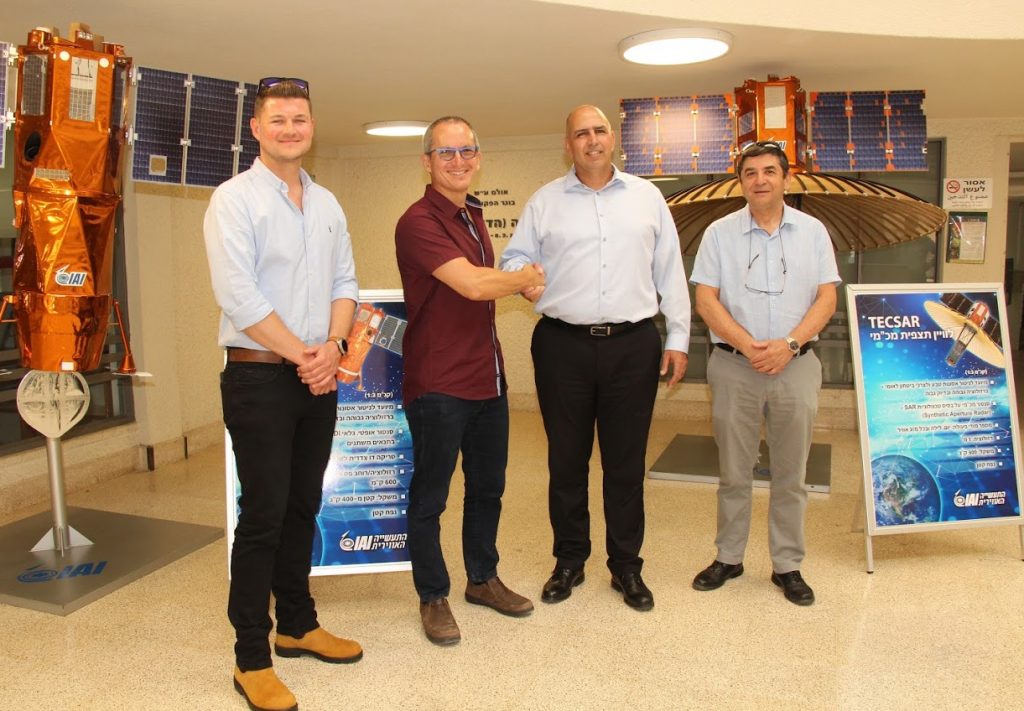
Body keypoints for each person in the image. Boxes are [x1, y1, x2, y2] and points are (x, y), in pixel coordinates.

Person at [204, 77, 362, 711]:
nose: (291, 129)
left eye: (300, 119)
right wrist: (307, 354)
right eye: (279, 120)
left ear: (312, 127)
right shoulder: (233, 200)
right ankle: (250, 657)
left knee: (303, 506)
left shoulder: (326, 204)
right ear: (257, 129)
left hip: (315, 376)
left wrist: (334, 347)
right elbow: (239, 297)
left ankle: (297, 622)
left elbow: (345, 281)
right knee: (264, 516)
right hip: (259, 377)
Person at [500, 105, 690, 612]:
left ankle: (626, 566)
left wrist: (678, 338)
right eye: (580, 133)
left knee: (625, 463)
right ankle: (569, 560)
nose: (591, 140)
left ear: (614, 139)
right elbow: (512, 259)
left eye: (599, 130)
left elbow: (670, 272)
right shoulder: (545, 201)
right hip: (562, 345)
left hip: (633, 344)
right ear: (568, 144)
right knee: (566, 460)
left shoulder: (648, 198)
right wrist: (525, 277)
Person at [395, 116, 545, 646]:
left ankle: (481, 579)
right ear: (427, 161)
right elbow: (474, 285)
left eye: (466, 152)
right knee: (430, 498)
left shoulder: (472, 214)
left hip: (488, 380)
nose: (457, 162)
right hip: (438, 385)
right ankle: (433, 595)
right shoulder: (417, 221)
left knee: (488, 489)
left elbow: (485, 283)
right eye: (445, 153)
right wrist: (525, 279)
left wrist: (514, 278)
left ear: (478, 157)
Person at [689, 140, 840, 607]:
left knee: (791, 474)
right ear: (741, 181)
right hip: (735, 367)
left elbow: (827, 297)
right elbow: (706, 298)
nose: (760, 180)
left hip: (796, 366)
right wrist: (745, 343)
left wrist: (789, 344)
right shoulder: (718, 233)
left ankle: (787, 565)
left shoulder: (814, 232)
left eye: (769, 171)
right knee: (734, 470)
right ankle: (729, 557)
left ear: (786, 178)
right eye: (750, 172)